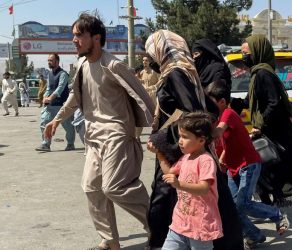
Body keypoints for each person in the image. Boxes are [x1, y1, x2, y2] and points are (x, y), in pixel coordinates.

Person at [44, 13, 154, 250]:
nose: (74, 40)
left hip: (117, 135)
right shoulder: (82, 65)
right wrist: (56, 120)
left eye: (79, 35)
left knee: (114, 187)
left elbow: (144, 98)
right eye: (73, 35)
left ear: (95, 38)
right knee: (91, 187)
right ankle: (109, 241)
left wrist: (156, 130)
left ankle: (159, 225)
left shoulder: (114, 65)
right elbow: (75, 96)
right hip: (93, 136)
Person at [145, 29, 243, 250]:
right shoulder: (186, 71)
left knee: (166, 200)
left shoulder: (176, 73)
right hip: (188, 145)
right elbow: (208, 107)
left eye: (152, 51)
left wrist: (162, 137)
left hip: (182, 149)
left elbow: (192, 111)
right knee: (208, 202)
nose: (151, 56)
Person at [231, 34, 292, 226]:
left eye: (246, 53)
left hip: (279, 134)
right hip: (275, 132)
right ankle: (274, 210)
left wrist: (259, 126)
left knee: (285, 173)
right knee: (268, 173)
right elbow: (255, 102)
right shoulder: (259, 73)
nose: (244, 57)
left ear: (257, 52)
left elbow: (273, 104)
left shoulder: (262, 74)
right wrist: (233, 104)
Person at [206, 80, 289, 248]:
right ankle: (254, 235)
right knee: (234, 208)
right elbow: (225, 145)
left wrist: (197, 129)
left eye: (211, 102)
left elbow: (219, 132)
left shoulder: (228, 113)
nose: (208, 105)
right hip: (232, 169)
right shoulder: (215, 118)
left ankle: (277, 214)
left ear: (222, 101)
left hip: (248, 164)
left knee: (242, 204)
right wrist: (221, 158)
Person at [147, 112, 223, 250]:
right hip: (179, 223)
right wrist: (159, 154)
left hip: (201, 226)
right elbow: (169, 172)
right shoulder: (186, 157)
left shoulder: (205, 160)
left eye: (185, 137)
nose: (180, 141)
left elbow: (204, 187)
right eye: (180, 136)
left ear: (201, 140)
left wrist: (179, 184)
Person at [35, 53, 75, 152]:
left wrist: (50, 98)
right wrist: (45, 97)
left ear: (57, 61)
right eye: (48, 60)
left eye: (51, 60)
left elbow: (60, 89)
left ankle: (70, 144)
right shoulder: (49, 74)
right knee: (44, 123)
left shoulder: (63, 74)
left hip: (62, 105)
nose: (49, 62)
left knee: (68, 126)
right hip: (51, 106)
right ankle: (46, 144)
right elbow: (49, 88)